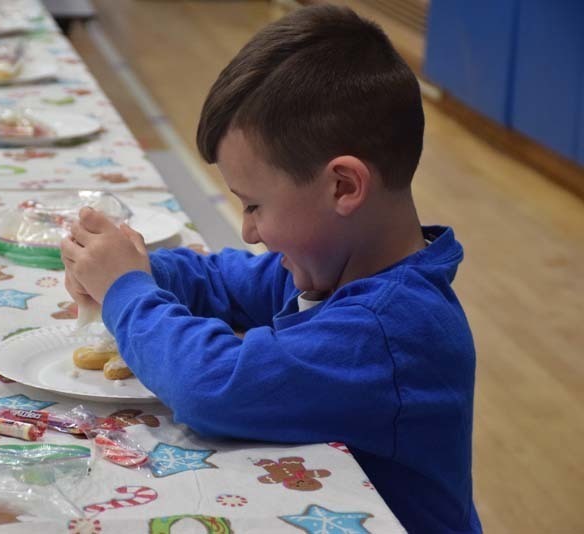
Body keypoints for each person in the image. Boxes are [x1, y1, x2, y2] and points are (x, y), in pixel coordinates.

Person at [60, 5, 481, 533]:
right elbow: (223, 281)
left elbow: (210, 385)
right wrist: (140, 267)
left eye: (254, 205)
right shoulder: (333, 268)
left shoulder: (389, 330)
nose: (249, 232)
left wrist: (125, 288)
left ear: (343, 187)